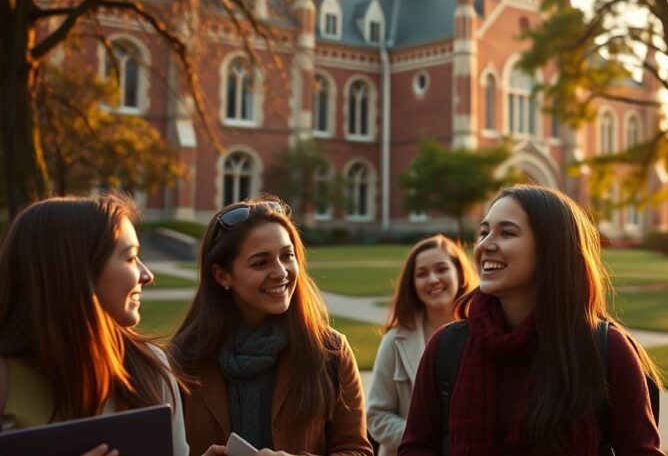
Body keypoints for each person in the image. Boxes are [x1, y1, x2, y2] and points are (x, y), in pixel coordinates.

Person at [399, 184, 664, 456]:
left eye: (507, 233)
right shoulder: (446, 347)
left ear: (552, 248)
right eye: (483, 232)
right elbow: (416, 448)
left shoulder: (607, 351)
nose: (484, 245)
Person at [170, 196, 372, 456]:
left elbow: (356, 450)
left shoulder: (331, 353)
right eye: (260, 263)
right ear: (222, 276)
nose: (281, 272)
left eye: (287, 256)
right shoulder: (180, 361)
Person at [0, 193, 189, 456]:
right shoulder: (7, 380)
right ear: (75, 270)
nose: (147, 275)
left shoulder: (150, 369)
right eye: (131, 258)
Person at [367, 235, 477, 456]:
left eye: (441, 269)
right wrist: (423, 438)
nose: (433, 279)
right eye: (422, 273)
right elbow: (376, 416)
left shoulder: (482, 334)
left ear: (460, 274)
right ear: (413, 284)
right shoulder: (394, 341)